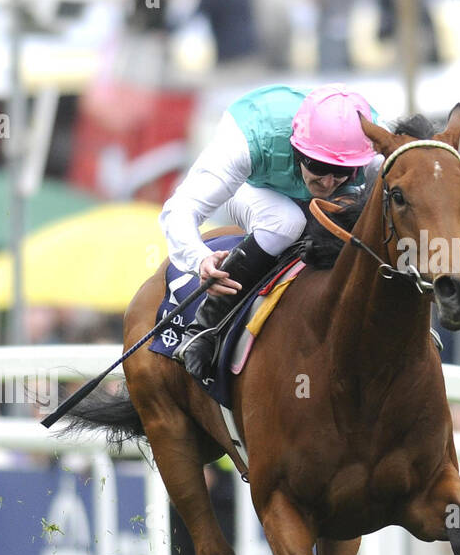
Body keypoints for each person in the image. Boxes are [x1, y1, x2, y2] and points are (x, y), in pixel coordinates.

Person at [161, 83, 377, 380]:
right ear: (296, 147)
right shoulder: (246, 143)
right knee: (287, 222)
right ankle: (206, 326)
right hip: (254, 188)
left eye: (341, 171)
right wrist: (200, 259)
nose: (328, 182)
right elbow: (180, 209)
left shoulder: (371, 142)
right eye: (317, 166)